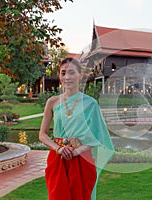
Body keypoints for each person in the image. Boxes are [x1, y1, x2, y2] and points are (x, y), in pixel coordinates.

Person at [39, 57, 114, 200]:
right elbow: (42, 135)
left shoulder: (90, 104)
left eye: (72, 72)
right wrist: (59, 148)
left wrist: (76, 151)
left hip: (82, 159)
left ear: (81, 75)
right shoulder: (52, 102)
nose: (67, 77)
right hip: (57, 158)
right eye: (63, 73)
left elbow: (99, 136)